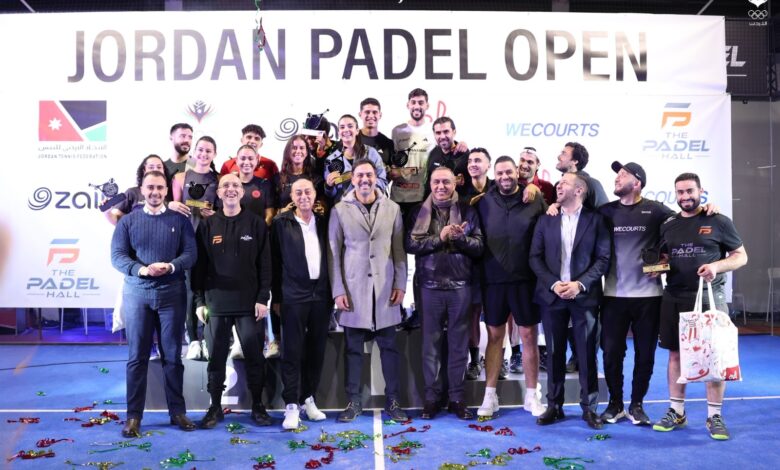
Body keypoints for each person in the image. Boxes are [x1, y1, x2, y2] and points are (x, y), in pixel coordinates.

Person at [653, 172, 747, 440]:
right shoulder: (668, 224)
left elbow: (741, 257)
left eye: (689, 191)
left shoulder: (718, 220)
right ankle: (677, 411)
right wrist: (656, 268)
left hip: (709, 299)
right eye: (680, 192)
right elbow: (664, 258)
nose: (685, 196)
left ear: (700, 192)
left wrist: (716, 266)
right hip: (674, 297)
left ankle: (714, 416)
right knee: (675, 355)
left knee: (713, 357)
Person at [110, 170, 197, 437]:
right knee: (137, 358)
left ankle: (177, 412)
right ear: (142, 189)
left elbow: (190, 254)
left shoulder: (180, 220)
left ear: (166, 191)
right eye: (150, 187)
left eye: (160, 187)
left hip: (172, 295)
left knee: (173, 357)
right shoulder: (128, 221)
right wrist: (142, 270)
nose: (155, 192)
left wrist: (170, 266)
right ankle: (133, 417)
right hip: (138, 295)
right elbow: (117, 256)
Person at [328, 159, 408, 423]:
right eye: (360, 175)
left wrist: (400, 284)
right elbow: (333, 253)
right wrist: (338, 290)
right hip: (353, 291)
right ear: (352, 179)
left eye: (369, 175)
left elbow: (399, 251)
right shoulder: (339, 210)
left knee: (390, 349)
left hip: (385, 290)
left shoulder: (393, 208)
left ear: (376, 178)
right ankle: (353, 402)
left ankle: (394, 401)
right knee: (353, 350)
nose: (365, 179)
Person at [191, 173, 273, 428]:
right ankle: (215, 407)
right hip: (216, 303)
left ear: (242, 191)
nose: (230, 189)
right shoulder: (207, 225)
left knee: (254, 357)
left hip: (249, 304)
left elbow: (266, 265)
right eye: (225, 185)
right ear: (218, 193)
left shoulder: (256, 223)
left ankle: (258, 406)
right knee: (216, 358)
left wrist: (263, 298)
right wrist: (199, 301)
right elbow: (199, 268)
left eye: (235, 185)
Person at [596, 161, 674, 425]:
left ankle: (637, 404)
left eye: (623, 174)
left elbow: (684, 227)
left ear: (637, 182)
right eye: (617, 174)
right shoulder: (605, 211)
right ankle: (615, 404)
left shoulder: (656, 210)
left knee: (645, 354)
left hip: (649, 297)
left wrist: (665, 263)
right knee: (611, 353)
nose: (617, 178)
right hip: (613, 296)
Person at [530, 173, 610, 429]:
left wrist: (579, 284)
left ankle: (589, 408)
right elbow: (535, 257)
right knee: (554, 353)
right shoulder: (546, 219)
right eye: (558, 183)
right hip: (551, 296)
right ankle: (554, 406)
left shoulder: (596, 220)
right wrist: (554, 284)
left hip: (584, 296)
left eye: (564, 183)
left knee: (586, 354)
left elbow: (603, 259)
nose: (558, 185)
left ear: (579, 190)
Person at [406, 167, 484, 420]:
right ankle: (431, 399)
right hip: (428, 287)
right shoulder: (417, 211)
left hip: (460, 287)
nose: (441, 186)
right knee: (430, 347)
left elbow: (479, 246)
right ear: (430, 184)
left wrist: (460, 239)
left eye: (446, 182)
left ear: (455, 184)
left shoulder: (469, 211)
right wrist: (439, 238)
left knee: (459, 346)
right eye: (436, 182)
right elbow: (410, 244)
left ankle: (457, 398)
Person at [475, 156, 548, 418]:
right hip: (493, 281)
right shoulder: (483, 202)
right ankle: (489, 396)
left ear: (517, 172)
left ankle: (532, 396)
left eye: (509, 172)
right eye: (500, 173)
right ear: (494, 175)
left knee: (528, 336)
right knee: (495, 337)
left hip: (525, 281)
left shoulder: (534, 199)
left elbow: (548, 230)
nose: (505, 177)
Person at [271, 178, 331, 430]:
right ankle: (291, 405)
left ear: (315, 194)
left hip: (321, 295)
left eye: (308, 191)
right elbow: (274, 263)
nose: (304, 196)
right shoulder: (280, 223)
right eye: (298, 192)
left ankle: (308, 399)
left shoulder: (325, 222)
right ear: (292, 197)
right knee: (292, 352)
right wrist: (277, 297)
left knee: (316, 351)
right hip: (293, 295)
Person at [550, 142, 608, 372]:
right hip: (563, 266)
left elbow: (606, 215)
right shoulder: (559, 187)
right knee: (566, 319)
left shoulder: (592, 184)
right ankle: (575, 357)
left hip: (587, 264)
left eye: (564, 153)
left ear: (574, 161)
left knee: (587, 319)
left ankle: (586, 359)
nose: (559, 155)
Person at [169, 136, 219, 361]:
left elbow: (224, 210)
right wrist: (172, 204)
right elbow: (174, 211)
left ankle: (209, 338)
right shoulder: (180, 177)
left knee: (209, 290)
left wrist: (214, 214)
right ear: (194, 152)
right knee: (190, 291)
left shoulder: (219, 179)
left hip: (212, 241)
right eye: (200, 150)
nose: (204, 154)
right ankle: (193, 341)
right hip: (187, 240)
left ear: (214, 154)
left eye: (208, 151)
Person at [462, 148, 493, 381]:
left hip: (497, 262)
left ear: (488, 165)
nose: (473, 164)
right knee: (472, 314)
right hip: (471, 263)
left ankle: (500, 359)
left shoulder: (500, 187)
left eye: (478, 160)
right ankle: (474, 360)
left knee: (498, 316)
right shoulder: (461, 193)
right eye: (470, 160)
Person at [390, 88, 434, 217]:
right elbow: (392, 160)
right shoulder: (397, 131)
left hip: (423, 196)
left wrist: (460, 144)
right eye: (413, 102)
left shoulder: (432, 131)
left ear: (427, 106)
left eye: (421, 102)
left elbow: (446, 147)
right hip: (399, 195)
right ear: (408, 105)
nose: (416, 106)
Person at [324, 114, 388, 203]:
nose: (346, 130)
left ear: (357, 131)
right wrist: (329, 186)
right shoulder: (331, 160)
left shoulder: (371, 153)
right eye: (342, 127)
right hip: (344, 208)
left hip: (369, 205)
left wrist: (364, 180)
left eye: (350, 126)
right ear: (338, 132)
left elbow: (383, 182)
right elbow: (331, 194)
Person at [277, 134, 326, 213]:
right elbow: (270, 210)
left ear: (306, 152)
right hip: (284, 220)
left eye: (302, 148)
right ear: (288, 152)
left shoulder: (316, 179)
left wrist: (320, 207)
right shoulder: (277, 179)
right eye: (294, 148)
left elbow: (323, 205)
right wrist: (283, 211)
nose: (298, 151)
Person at [425, 117, 469, 198]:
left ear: (454, 132)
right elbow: (429, 183)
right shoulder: (434, 152)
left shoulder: (464, 154)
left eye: (446, 131)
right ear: (434, 134)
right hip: (434, 203)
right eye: (438, 133)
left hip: (458, 203)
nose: (442, 136)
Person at [358, 97, 394, 165]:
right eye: (367, 112)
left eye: (374, 112)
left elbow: (393, 170)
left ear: (380, 115)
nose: (371, 115)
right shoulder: (351, 140)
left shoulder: (389, 144)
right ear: (360, 114)